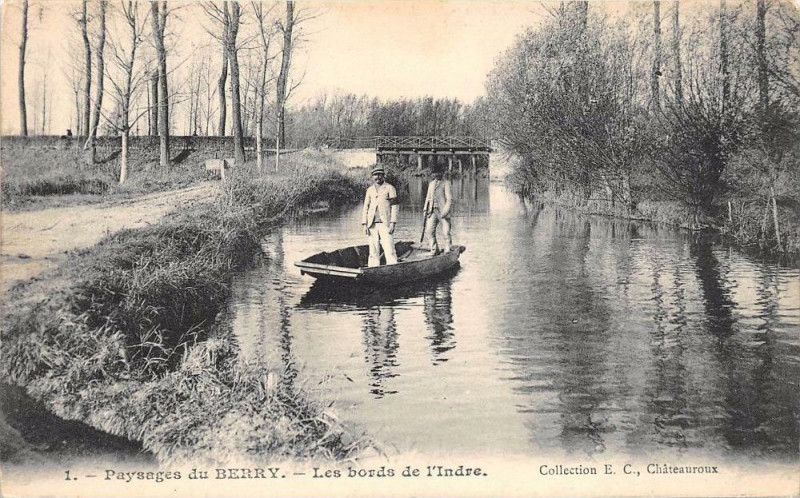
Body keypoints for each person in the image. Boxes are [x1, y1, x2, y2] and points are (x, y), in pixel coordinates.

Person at [362, 165, 399, 267]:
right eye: (375, 175)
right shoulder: (370, 190)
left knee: (389, 248)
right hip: (372, 224)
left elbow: (395, 206)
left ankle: (393, 268)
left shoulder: (390, 188)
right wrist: (364, 224)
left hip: (385, 223)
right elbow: (365, 207)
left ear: (383, 176)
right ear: (372, 177)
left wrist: (393, 223)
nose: (377, 177)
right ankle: (373, 269)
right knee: (373, 250)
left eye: (380, 175)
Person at [423, 165, 453, 254]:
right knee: (429, 231)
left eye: (438, 173)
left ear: (442, 173)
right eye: (435, 173)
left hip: (443, 211)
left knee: (446, 232)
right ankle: (434, 249)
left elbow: (449, 199)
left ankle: (448, 249)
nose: (436, 175)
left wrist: (445, 212)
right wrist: (425, 210)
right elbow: (428, 198)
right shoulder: (431, 184)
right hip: (432, 211)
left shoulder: (446, 183)